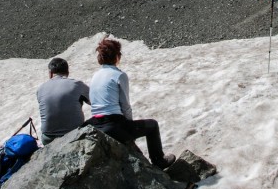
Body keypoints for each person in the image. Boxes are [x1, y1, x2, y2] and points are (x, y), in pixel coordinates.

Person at [85, 37, 176, 169]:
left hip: (95, 123)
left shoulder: (95, 75)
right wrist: (129, 126)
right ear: (117, 56)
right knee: (152, 125)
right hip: (113, 124)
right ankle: (159, 161)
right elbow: (125, 105)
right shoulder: (119, 75)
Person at [37, 58, 90, 145]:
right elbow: (95, 102)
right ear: (67, 73)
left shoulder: (41, 89)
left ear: (50, 73)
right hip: (74, 135)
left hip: (48, 138)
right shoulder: (77, 84)